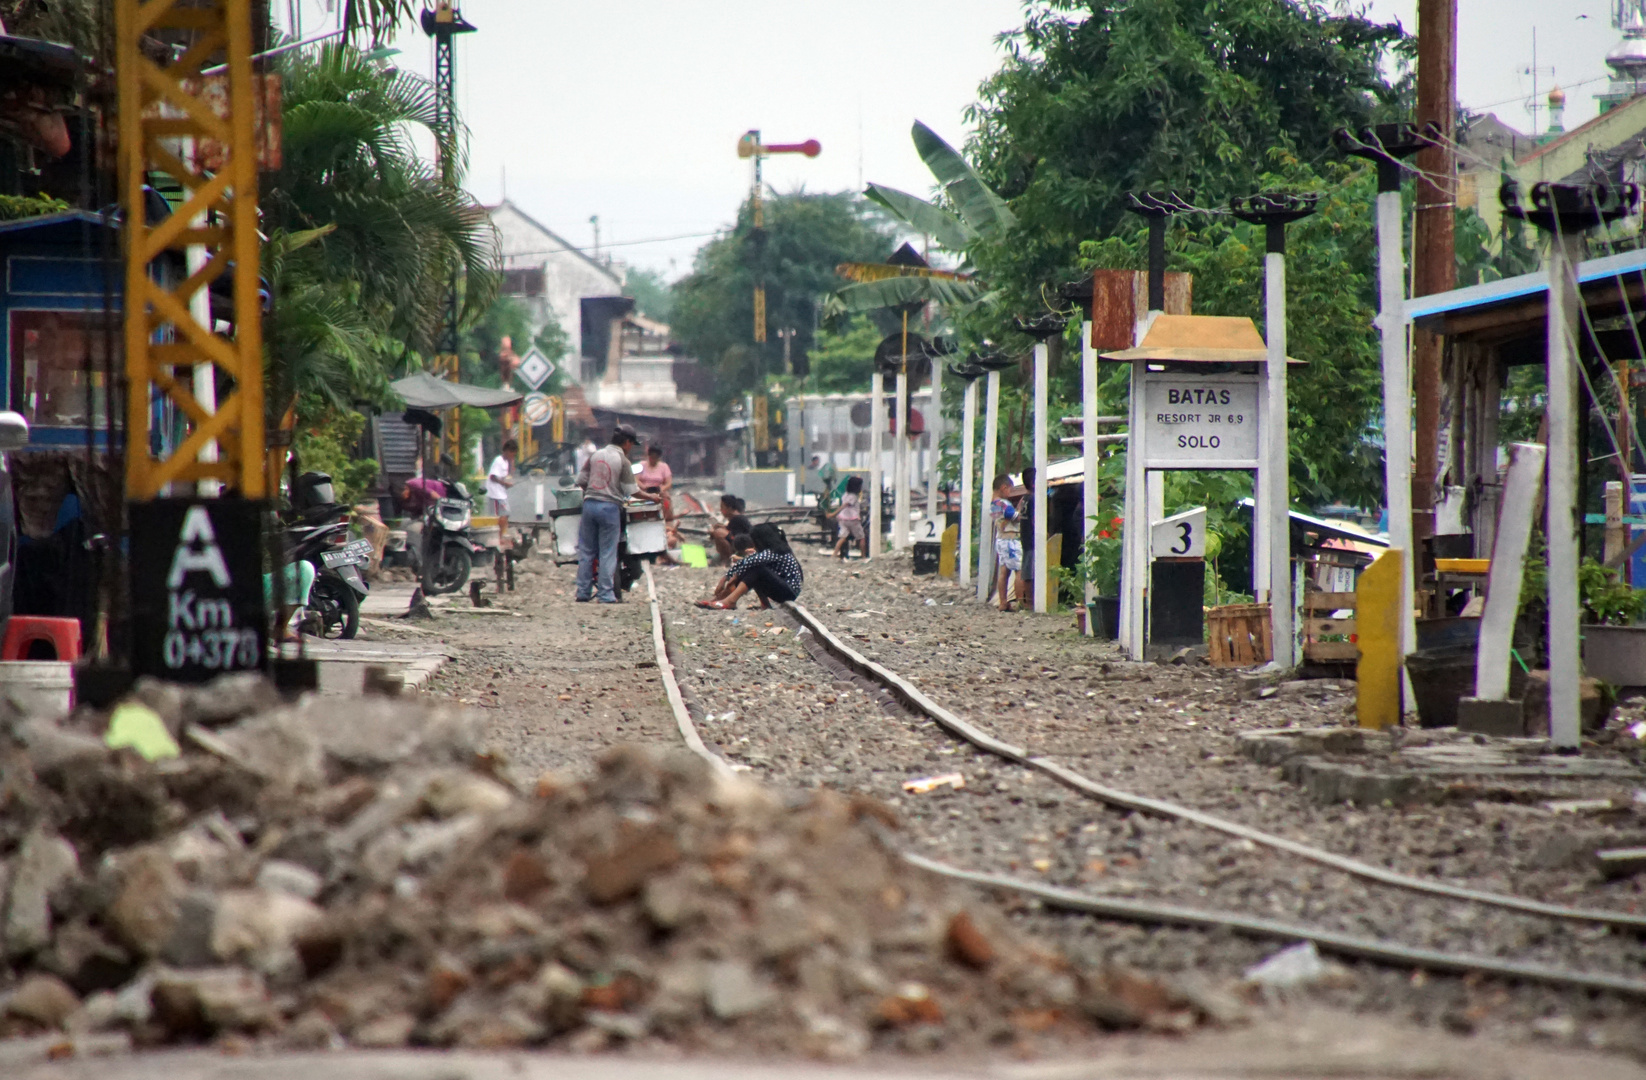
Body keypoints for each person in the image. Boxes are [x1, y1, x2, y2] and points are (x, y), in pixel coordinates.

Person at [575, 425, 661, 602]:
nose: (631, 448)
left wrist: (593, 492)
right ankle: (606, 594)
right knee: (608, 552)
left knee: (587, 552)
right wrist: (651, 497)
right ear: (627, 442)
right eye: (631, 444)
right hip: (609, 508)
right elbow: (632, 490)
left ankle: (582, 592)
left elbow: (581, 480)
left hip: (589, 506)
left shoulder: (595, 455)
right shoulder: (622, 460)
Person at [696, 523, 802, 610]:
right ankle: (722, 599)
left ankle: (729, 601)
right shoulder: (772, 551)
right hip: (783, 589)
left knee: (757, 569)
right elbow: (745, 562)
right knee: (753, 569)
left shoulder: (776, 552)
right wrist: (726, 578)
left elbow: (749, 562)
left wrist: (730, 578)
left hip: (788, 592)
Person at [990, 473, 1023, 612]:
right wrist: (1020, 508)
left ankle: (1003, 602)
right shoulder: (1004, 504)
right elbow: (1015, 517)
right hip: (1011, 540)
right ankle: (1021, 602)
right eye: (1010, 489)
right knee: (1019, 570)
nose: (1010, 493)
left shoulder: (993, 504)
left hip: (1001, 539)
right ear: (1004, 487)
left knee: (1004, 571)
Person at [696, 532, 755, 604]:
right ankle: (719, 599)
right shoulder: (754, 554)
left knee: (738, 578)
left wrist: (729, 578)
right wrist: (725, 578)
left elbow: (747, 562)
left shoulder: (758, 555)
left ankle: (719, 600)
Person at [486, 439, 518, 548]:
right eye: (513, 453)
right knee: (501, 515)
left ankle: (500, 536)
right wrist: (504, 483)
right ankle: (498, 537)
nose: (513, 456)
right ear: (508, 451)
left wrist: (506, 483)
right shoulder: (498, 461)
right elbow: (493, 477)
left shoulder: (505, 462)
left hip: (501, 492)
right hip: (495, 493)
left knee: (505, 515)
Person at [829, 475, 866, 560]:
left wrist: (835, 514)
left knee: (842, 537)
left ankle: (834, 554)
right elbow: (845, 505)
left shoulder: (845, 495)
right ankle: (863, 556)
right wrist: (833, 513)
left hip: (843, 519)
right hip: (853, 520)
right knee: (861, 537)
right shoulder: (853, 496)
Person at [1017, 465, 1037, 609]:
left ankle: (1027, 601)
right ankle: (1029, 602)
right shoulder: (1035, 499)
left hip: (1025, 537)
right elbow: (1035, 519)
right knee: (1029, 572)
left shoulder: (1024, 499)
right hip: (1031, 539)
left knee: (1027, 569)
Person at [637, 444, 674, 520]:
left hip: (659, 493)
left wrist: (661, 489)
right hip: (643, 492)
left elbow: (669, 483)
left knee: (666, 499)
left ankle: (667, 519)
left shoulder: (664, 466)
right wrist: (643, 486)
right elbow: (635, 479)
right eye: (651, 457)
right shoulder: (641, 465)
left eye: (655, 457)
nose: (653, 459)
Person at [710, 493, 748, 562]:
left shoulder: (737, 519)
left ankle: (728, 560)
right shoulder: (735, 518)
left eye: (722, 507)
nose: (721, 510)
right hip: (741, 544)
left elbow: (734, 536)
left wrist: (716, 531)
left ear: (729, 508)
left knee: (718, 533)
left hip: (743, 546)